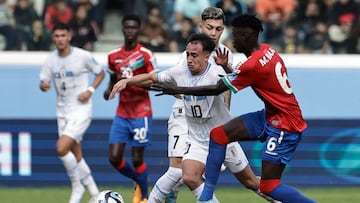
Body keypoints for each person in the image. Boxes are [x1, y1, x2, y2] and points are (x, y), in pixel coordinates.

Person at [149, 14, 317, 203]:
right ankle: (206, 196)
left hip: (285, 124)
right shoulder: (267, 50)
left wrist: (177, 89)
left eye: (235, 35)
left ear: (246, 36)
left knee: (268, 186)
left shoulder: (252, 65)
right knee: (219, 135)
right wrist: (227, 67)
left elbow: (216, 89)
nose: (233, 40)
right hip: (271, 114)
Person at [109, 33, 280, 203]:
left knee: (250, 181)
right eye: (188, 54)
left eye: (194, 55)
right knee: (189, 177)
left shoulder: (216, 73)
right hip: (197, 140)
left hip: (223, 138)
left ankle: (283, 198)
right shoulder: (180, 71)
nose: (189, 59)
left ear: (207, 56)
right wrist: (127, 81)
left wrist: (226, 69)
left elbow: (219, 87)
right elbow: (152, 77)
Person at [39, 23, 104, 203]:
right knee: (76, 155)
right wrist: (44, 86)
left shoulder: (82, 56)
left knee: (61, 148)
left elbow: (100, 73)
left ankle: (77, 186)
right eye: (56, 36)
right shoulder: (50, 60)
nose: (60, 39)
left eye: (63, 35)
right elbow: (43, 81)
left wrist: (90, 90)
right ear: (53, 38)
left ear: (69, 36)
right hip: (62, 112)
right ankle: (95, 194)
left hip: (81, 110)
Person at [103, 14, 158, 203]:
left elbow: (155, 81)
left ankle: (144, 196)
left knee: (136, 158)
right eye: (127, 28)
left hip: (141, 112)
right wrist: (108, 90)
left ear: (139, 29)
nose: (130, 31)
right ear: (122, 29)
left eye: (134, 28)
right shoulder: (113, 57)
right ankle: (139, 180)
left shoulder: (145, 55)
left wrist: (131, 83)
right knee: (114, 158)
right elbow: (112, 81)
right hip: (122, 113)